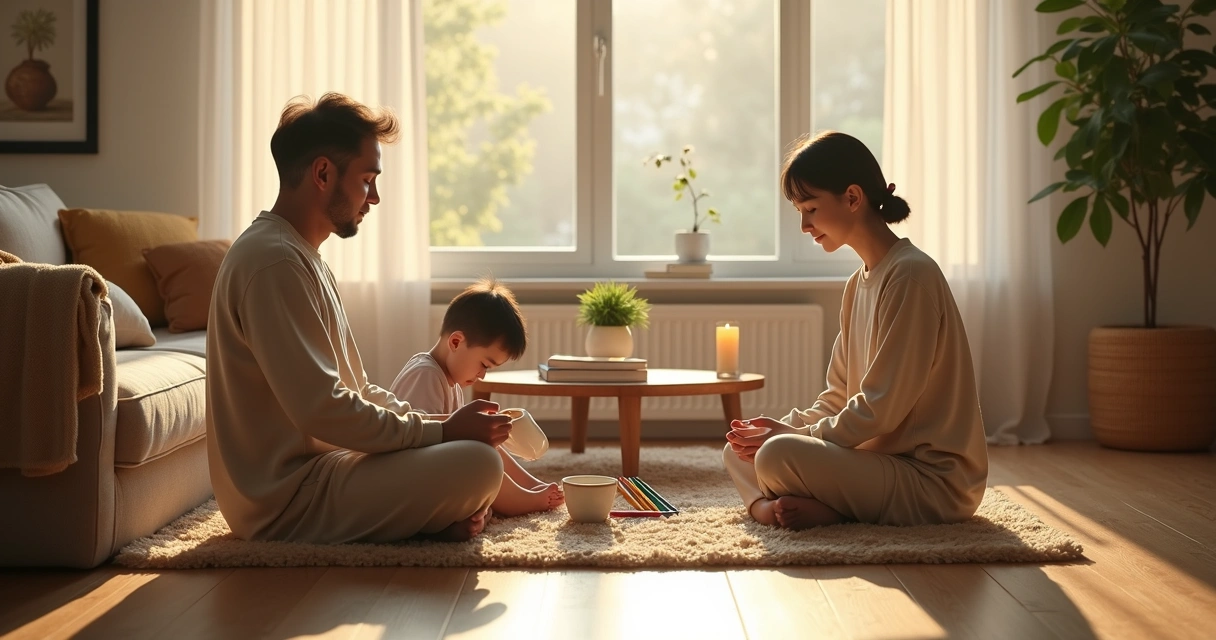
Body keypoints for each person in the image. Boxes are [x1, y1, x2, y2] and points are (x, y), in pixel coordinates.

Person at [207, 92, 512, 544]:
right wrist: (443, 430)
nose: (375, 197)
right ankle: (426, 517)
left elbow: (358, 389)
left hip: (327, 470)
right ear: (324, 173)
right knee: (480, 465)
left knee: (471, 454)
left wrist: (440, 432)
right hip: (288, 501)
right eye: (368, 180)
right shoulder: (273, 264)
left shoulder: (301, 258)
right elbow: (324, 411)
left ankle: (428, 519)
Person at [723, 131, 989, 530]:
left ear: (852, 198)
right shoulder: (856, 285)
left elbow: (879, 411)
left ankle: (827, 507)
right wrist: (779, 428)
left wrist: (793, 436)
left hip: (930, 482)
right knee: (738, 450)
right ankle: (776, 507)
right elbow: (837, 398)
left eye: (810, 208)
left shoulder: (911, 276)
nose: (803, 225)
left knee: (776, 454)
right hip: (874, 465)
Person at [389, 277, 564, 517]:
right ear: (456, 342)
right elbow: (418, 440)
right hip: (411, 481)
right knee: (480, 445)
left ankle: (529, 485)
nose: (481, 375)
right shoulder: (425, 374)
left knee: (485, 437)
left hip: (434, 473)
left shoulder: (449, 380)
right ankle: (519, 499)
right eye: (484, 364)